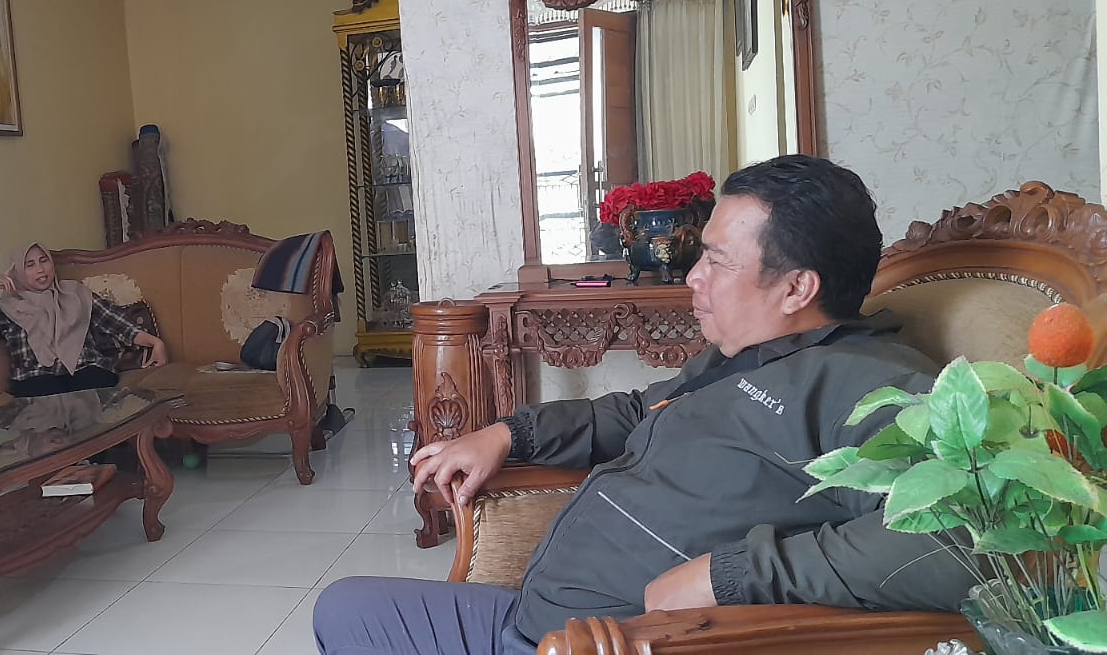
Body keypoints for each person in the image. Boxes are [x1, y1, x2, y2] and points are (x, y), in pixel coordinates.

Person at [313, 155, 979, 654]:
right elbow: (638, 412)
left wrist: (730, 576)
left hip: (616, 642)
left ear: (797, 288)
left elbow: (960, 541)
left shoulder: (872, 386)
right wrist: (509, 434)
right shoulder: (745, 354)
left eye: (717, 261)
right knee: (344, 610)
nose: (693, 277)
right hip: (535, 621)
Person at [0, 242, 167, 397]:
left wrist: (155, 343)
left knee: (93, 387)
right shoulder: (7, 307)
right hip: (35, 377)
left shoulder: (76, 294)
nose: (40, 270)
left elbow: (117, 323)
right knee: (47, 396)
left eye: (44, 261)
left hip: (85, 370)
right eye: (30, 265)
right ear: (18, 272)